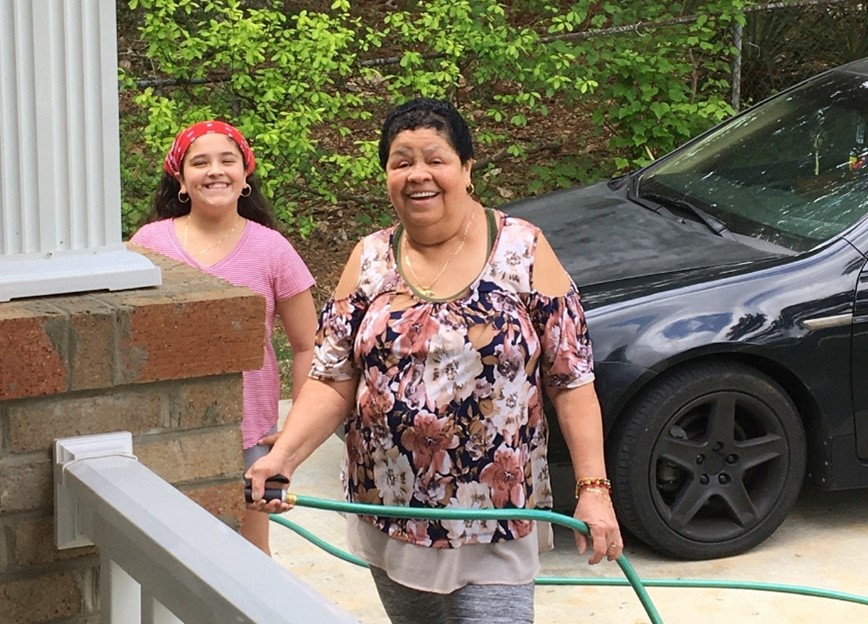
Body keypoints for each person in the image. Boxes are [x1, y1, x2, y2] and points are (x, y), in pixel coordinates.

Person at [246, 98, 621, 623]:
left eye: (435, 159)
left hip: (495, 517)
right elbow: (331, 378)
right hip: (390, 510)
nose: (418, 174)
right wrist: (282, 458)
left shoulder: (523, 249)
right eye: (401, 162)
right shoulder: (371, 257)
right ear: (386, 176)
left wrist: (594, 490)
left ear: (467, 169)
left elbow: (572, 381)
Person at [130, 120, 317, 556]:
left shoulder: (273, 249)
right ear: (180, 178)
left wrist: (294, 431)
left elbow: (309, 345)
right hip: (165, 429)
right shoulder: (148, 244)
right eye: (200, 162)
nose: (215, 171)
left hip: (252, 436)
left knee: (250, 556)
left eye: (227, 160)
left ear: (245, 172)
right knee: (175, 550)